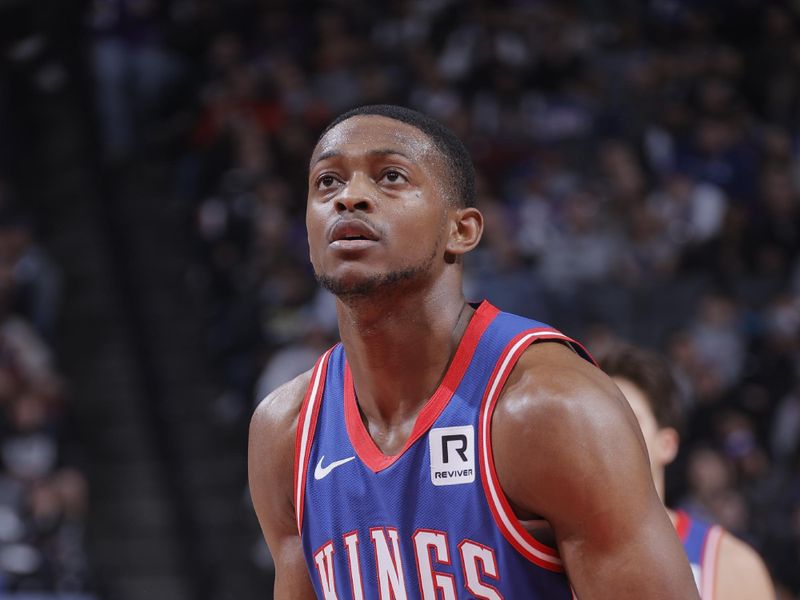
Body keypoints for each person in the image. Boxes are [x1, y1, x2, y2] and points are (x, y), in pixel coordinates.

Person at [248, 104, 699, 599]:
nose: (349, 197)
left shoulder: (551, 407)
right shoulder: (286, 431)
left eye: (391, 176)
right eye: (327, 182)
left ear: (461, 231)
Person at [598, 343, 775, 600]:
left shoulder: (731, 567)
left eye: (628, 419)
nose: (606, 432)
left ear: (667, 444)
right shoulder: (543, 562)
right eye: (594, 418)